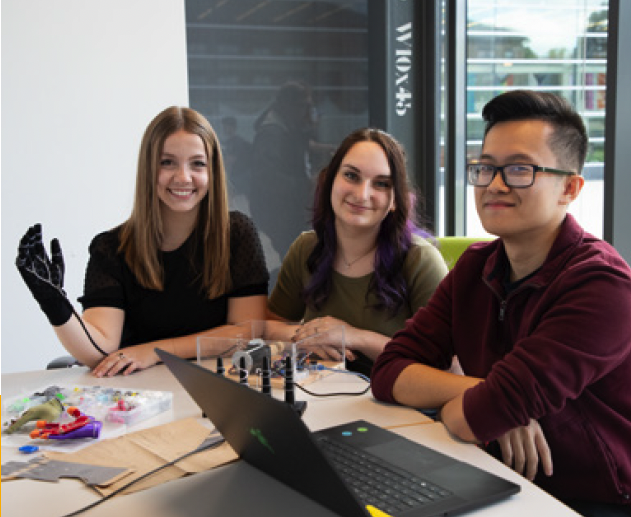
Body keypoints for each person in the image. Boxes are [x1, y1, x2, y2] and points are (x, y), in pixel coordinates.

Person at [371, 90, 631, 516]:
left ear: (570, 187)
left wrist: (490, 406)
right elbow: (390, 370)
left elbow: (465, 420)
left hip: (589, 499)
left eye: (518, 169)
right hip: (494, 475)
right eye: (486, 167)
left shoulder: (602, 285)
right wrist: (488, 396)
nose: (494, 184)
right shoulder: (476, 266)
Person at [16, 106, 269, 377]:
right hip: (140, 397)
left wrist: (153, 351)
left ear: (213, 171)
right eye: (167, 162)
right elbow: (100, 350)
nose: (183, 177)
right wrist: (56, 306)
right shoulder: (111, 248)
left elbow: (247, 332)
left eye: (197, 163)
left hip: (217, 387)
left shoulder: (237, 233)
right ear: (148, 169)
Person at [266, 128, 449, 377]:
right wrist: (310, 336)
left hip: (397, 408)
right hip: (317, 397)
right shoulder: (306, 248)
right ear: (329, 180)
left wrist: (355, 337)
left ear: (395, 200)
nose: (362, 194)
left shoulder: (420, 260)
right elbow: (269, 327)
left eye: (381, 184)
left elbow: (446, 362)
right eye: (351, 176)